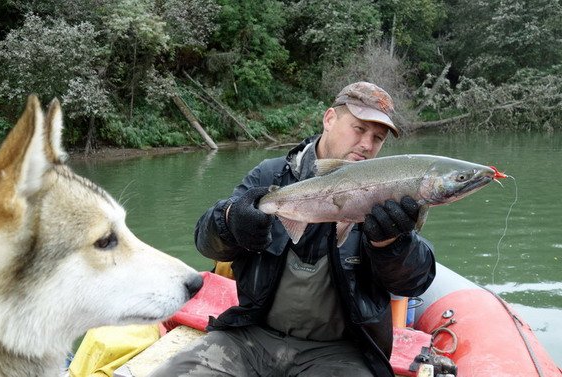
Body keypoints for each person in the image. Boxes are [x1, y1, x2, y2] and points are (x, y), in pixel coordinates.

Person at [149, 81, 436, 377]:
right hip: (250, 337)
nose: (367, 144)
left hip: (338, 353)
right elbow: (206, 242)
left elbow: (413, 283)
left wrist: (391, 244)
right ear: (329, 119)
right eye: (359, 129)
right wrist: (232, 220)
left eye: (378, 138)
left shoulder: (388, 193)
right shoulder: (270, 174)